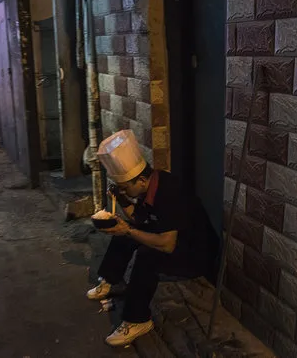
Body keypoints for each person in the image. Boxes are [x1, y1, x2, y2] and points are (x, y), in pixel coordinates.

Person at [88, 130, 220, 347]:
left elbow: (167, 245)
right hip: (174, 240)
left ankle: (137, 320)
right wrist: (121, 199)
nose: (125, 191)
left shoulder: (169, 192)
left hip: (196, 253)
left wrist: (129, 231)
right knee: (126, 234)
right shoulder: (150, 184)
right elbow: (138, 218)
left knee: (147, 256)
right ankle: (111, 281)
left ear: (140, 180)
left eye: (125, 187)